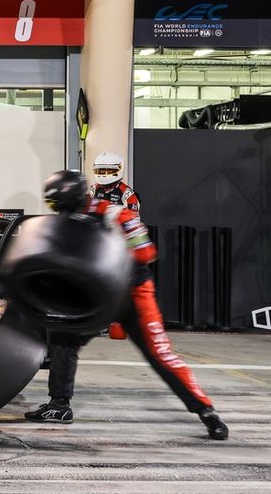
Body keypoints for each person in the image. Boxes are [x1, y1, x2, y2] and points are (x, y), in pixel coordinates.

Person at [23, 170, 228, 441]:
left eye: (63, 205)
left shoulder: (116, 214)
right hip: (97, 296)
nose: (61, 212)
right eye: (55, 207)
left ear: (78, 197)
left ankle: (207, 412)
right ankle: (59, 406)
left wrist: (106, 246)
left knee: (160, 355)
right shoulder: (66, 221)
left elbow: (146, 252)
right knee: (62, 336)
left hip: (132, 294)